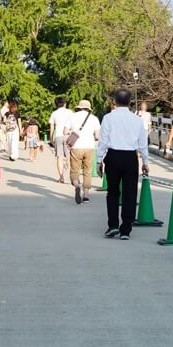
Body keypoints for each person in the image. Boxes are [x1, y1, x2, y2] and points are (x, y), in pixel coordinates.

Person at [97, 89, 149, 240]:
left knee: (113, 192)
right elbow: (142, 143)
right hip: (130, 157)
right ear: (130, 102)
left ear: (114, 101)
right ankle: (126, 229)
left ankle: (112, 225)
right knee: (130, 193)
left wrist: (99, 160)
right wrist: (145, 162)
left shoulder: (108, 118)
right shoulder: (137, 119)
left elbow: (103, 141)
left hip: (113, 156)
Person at [65, 99, 100, 204]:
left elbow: (65, 131)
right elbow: (97, 136)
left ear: (79, 107)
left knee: (74, 171)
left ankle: (76, 185)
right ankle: (86, 195)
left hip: (76, 147)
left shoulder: (72, 116)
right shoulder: (94, 118)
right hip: (89, 147)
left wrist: (73, 132)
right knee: (87, 171)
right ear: (89, 108)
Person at [49, 96, 73, 183]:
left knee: (59, 157)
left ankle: (61, 177)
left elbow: (52, 127)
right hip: (68, 136)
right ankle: (71, 177)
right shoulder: (70, 112)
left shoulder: (54, 113)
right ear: (65, 103)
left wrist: (51, 138)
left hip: (58, 136)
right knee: (69, 156)